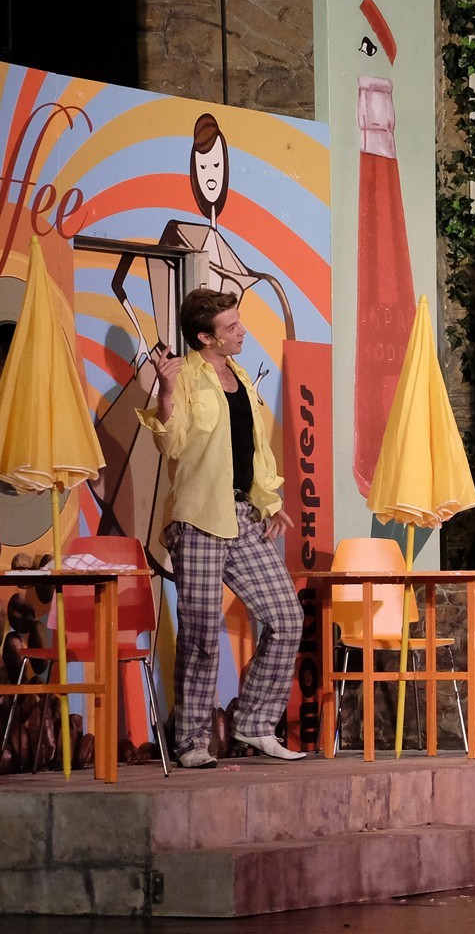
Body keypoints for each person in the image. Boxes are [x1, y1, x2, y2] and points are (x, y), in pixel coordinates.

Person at [141, 287, 305, 767]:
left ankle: (255, 723)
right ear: (205, 338)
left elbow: (255, 449)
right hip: (199, 521)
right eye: (231, 327)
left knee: (286, 618)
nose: (241, 332)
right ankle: (191, 741)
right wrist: (166, 393)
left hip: (242, 515)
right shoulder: (186, 377)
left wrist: (270, 502)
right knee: (200, 634)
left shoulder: (240, 377)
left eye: (238, 323)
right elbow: (171, 444)